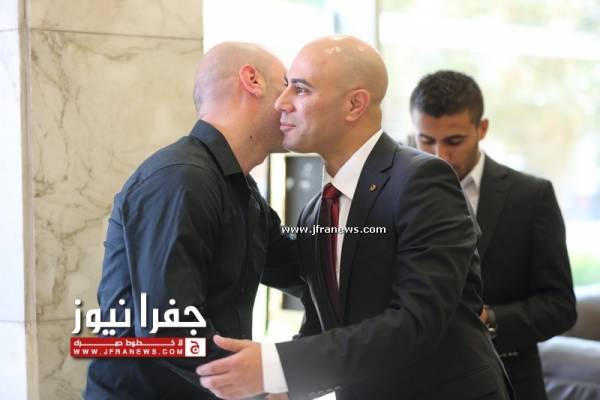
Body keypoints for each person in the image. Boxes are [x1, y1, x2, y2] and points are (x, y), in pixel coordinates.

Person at [196, 35, 512, 400]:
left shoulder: (423, 179)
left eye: (301, 89)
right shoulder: (316, 211)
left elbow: (416, 322)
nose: (281, 102)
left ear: (353, 105)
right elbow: (326, 326)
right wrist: (280, 388)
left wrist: (275, 366)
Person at [84, 42, 299, 399]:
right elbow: (167, 329)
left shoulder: (239, 187)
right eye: (287, 84)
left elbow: (297, 268)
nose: (293, 102)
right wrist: (261, 388)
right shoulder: (182, 178)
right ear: (252, 80)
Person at [410, 70, 577, 399]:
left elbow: (560, 307)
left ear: (482, 129)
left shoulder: (531, 197)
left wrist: (488, 319)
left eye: (454, 141)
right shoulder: (394, 192)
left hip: (508, 382)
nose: (439, 155)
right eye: (426, 140)